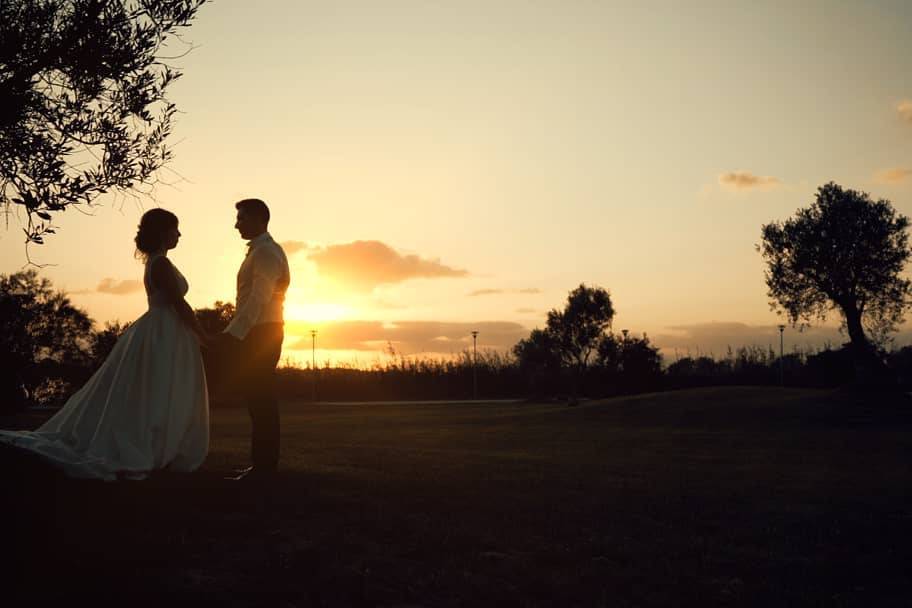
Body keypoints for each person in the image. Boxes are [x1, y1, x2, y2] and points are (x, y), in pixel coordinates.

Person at [0, 209, 210, 480]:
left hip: (164, 330)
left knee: (159, 388)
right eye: (175, 228)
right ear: (162, 231)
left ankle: (162, 445)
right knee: (159, 387)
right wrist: (203, 333)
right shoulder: (160, 264)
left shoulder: (158, 262)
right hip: (163, 332)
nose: (179, 234)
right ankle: (154, 445)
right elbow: (178, 303)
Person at [216, 198, 289, 482]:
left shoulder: (267, 252)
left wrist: (234, 334)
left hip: (262, 332)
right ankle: (261, 465)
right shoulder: (259, 251)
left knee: (261, 399)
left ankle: (264, 468)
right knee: (258, 399)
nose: (236, 224)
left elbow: (259, 297)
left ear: (260, 219)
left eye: (241, 218)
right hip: (259, 330)